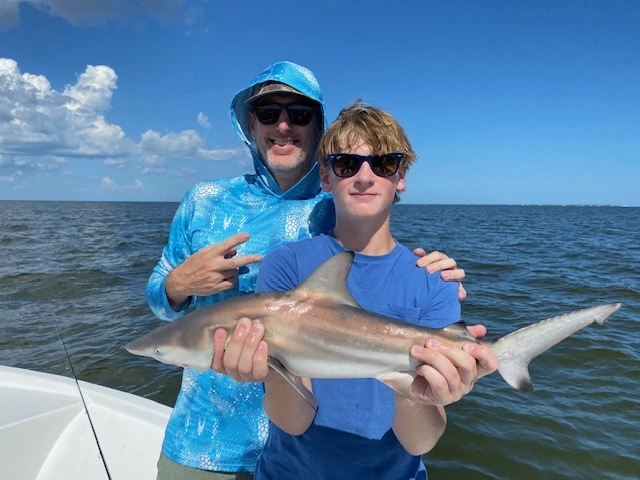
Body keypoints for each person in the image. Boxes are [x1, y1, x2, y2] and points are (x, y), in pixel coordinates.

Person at [146, 61, 472, 479]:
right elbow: (159, 300)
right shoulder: (204, 200)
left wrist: (437, 278)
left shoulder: (333, 203)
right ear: (250, 123)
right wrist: (177, 285)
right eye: (268, 113)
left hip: (301, 437)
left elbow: (374, 257)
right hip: (207, 437)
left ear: (317, 126)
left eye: (299, 114)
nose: (283, 125)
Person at [215, 101, 499, 479]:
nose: (365, 177)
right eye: (347, 164)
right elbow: (294, 421)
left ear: (401, 177)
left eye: (383, 163)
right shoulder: (287, 266)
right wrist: (272, 373)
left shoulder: (433, 281)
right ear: (326, 177)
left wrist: (417, 394)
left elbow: (420, 441)